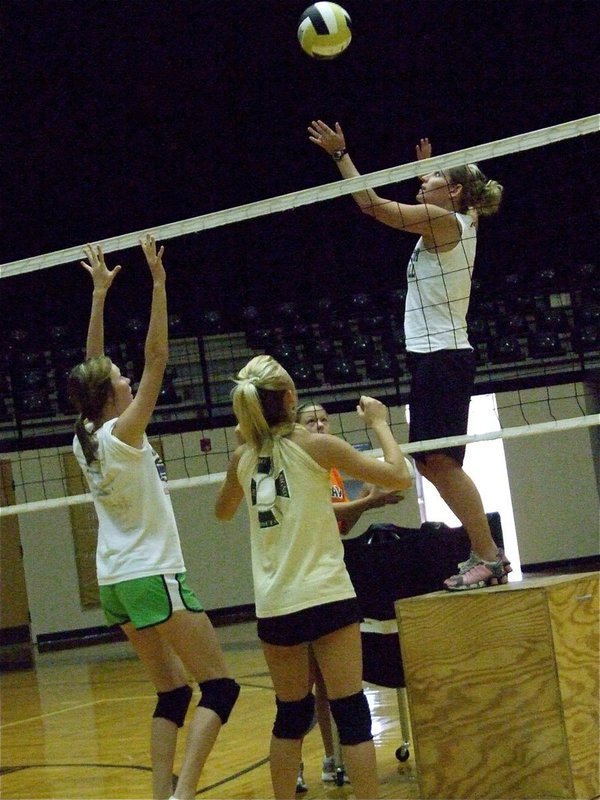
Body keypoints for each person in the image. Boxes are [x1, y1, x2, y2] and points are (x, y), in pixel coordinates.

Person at [67, 236, 239, 800]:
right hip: (151, 574)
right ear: (113, 395)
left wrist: (99, 297)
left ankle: (161, 794)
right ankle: (183, 794)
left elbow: (95, 366)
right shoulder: (124, 434)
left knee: (171, 693)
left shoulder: (84, 436)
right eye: (120, 376)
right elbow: (158, 359)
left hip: (115, 581)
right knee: (220, 687)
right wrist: (160, 285)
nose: (125, 376)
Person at [307, 119, 511, 591]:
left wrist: (341, 155)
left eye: (434, 179)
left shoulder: (444, 222)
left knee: (439, 463)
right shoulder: (464, 216)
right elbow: (462, 194)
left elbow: (372, 206)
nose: (423, 183)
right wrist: (430, 172)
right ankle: (486, 553)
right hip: (439, 357)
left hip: (442, 356)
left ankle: (488, 555)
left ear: (456, 191)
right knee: (432, 462)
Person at [215, 355, 413, 800]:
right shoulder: (317, 446)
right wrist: (380, 424)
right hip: (326, 595)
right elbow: (399, 475)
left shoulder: (242, 459)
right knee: (351, 712)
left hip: (276, 605)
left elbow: (223, 510)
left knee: (290, 715)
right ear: (288, 399)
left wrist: (247, 446)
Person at [294, 401, 404, 792]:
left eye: (324, 419)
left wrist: (369, 496)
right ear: (297, 427)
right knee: (302, 687)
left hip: (331, 576)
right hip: (299, 582)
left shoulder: (334, 469)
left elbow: (339, 522)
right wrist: (373, 499)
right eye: (311, 421)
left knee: (328, 684)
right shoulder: (299, 462)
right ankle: (300, 765)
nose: (321, 425)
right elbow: (325, 512)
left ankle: (330, 758)